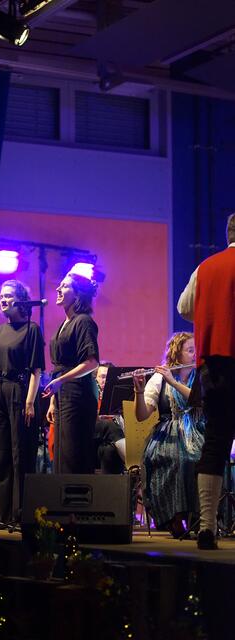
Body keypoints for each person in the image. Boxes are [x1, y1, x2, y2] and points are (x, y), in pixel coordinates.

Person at [177, 212, 235, 550]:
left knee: (214, 442)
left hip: (213, 366)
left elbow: (184, 307)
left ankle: (207, 527)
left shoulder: (204, 267)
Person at [0, 279, 45, 523]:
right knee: (1, 454)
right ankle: (2, 513)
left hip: (20, 391)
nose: (3, 299)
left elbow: (36, 370)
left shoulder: (32, 329)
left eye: (8, 295)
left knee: (21, 453)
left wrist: (30, 402)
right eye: (1, 295)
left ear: (21, 300)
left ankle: (21, 513)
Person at [133, 332, 205, 538]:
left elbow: (198, 400)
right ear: (177, 354)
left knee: (203, 459)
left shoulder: (201, 376)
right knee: (178, 459)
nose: (195, 354)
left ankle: (201, 518)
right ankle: (174, 516)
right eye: (190, 350)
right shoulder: (159, 378)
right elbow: (141, 415)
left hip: (198, 431)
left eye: (196, 350)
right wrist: (139, 391)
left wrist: (173, 382)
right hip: (168, 434)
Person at [44, 272, 99, 473]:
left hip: (77, 394)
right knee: (61, 455)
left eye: (65, 286)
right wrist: (53, 400)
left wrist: (61, 381)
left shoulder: (83, 321)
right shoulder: (65, 324)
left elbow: (92, 362)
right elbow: (59, 368)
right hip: (63, 394)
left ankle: (77, 493)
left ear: (77, 295)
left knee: (73, 455)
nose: (58, 289)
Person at [94, 362, 126, 474]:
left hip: (109, 442)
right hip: (94, 439)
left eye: (108, 377)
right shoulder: (92, 395)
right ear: (95, 379)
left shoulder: (118, 397)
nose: (105, 380)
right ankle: (134, 464)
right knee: (110, 425)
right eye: (102, 377)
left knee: (109, 450)